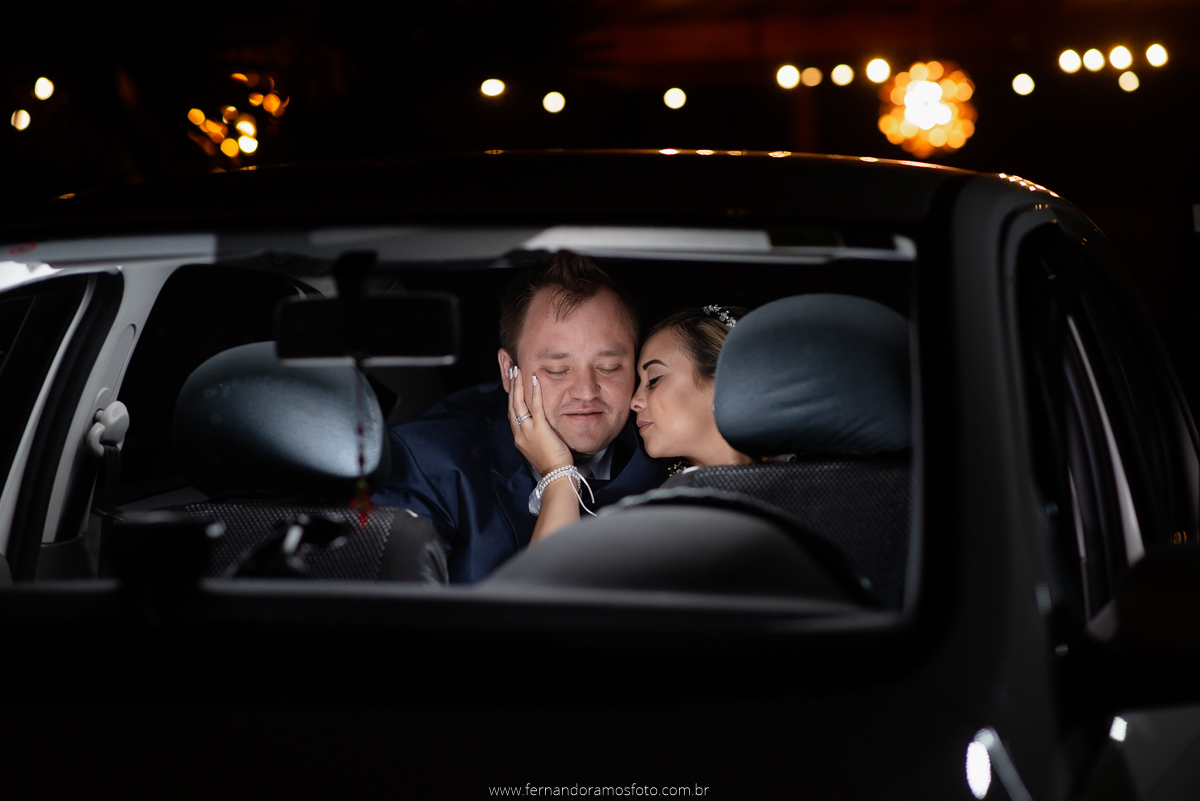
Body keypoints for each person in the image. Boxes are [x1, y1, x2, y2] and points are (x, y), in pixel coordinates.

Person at [373, 253, 663, 583]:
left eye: (609, 368)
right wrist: (559, 476)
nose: (586, 391)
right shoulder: (426, 463)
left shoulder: (669, 455)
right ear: (509, 373)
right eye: (557, 370)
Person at [514, 304, 751, 543]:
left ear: (722, 379)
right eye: (557, 369)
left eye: (654, 380)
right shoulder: (651, 496)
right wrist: (558, 476)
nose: (634, 401)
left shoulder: (786, 487)